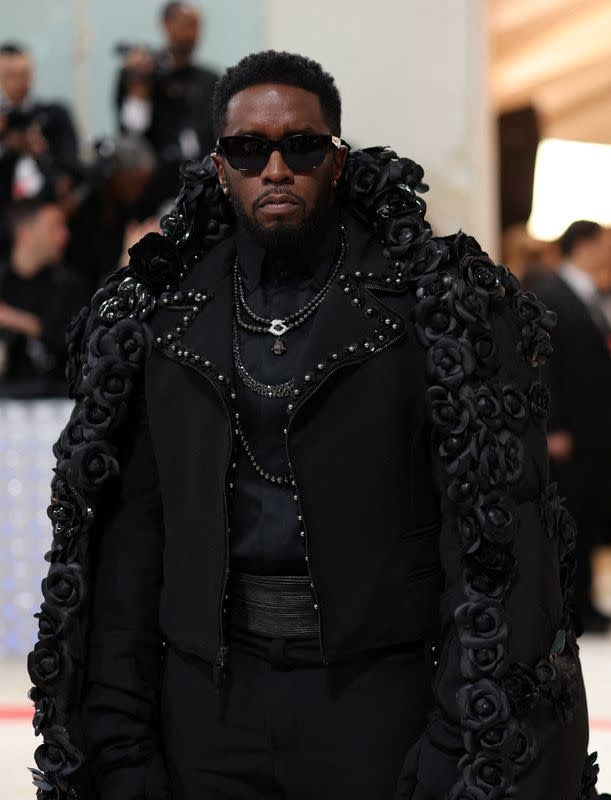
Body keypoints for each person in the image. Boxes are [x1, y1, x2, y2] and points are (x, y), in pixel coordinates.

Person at [28, 51, 602, 800]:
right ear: (218, 164)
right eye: (247, 148)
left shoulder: (432, 310)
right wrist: (123, 737)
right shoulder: (160, 315)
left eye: (300, 146)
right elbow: (130, 546)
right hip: (204, 706)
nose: (275, 167)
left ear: (337, 158)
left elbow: (493, 545)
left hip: (375, 699)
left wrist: (455, 737)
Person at [536, 220, 611, 635]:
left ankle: (585, 602)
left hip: (594, 431)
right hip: (570, 433)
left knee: (588, 517)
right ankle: (570, 607)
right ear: (582, 245)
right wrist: (554, 425)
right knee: (570, 521)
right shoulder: (551, 294)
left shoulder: (590, 293)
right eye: (603, 243)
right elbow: (544, 364)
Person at [115, 1, 219, 211]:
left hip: (204, 186)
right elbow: (133, 129)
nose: (193, 34)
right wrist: (140, 83)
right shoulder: (142, 75)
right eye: (187, 25)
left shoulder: (209, 79)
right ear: (167, 25)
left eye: (197, 26)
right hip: (156, 189)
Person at [0, 196, 89, 396]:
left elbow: (74, 342)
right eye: (55, 228)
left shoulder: (68, 284)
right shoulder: (4, 282)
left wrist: (13, 318)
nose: (64, 235)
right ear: (25, 233)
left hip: (56, 399)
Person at [0, 43, 79, 207]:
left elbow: (70, 167)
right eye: (9, 75)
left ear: (31, 74)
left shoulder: (54, 115)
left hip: (46, 206)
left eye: (22, 74)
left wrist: (40, 151)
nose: (16, 82)